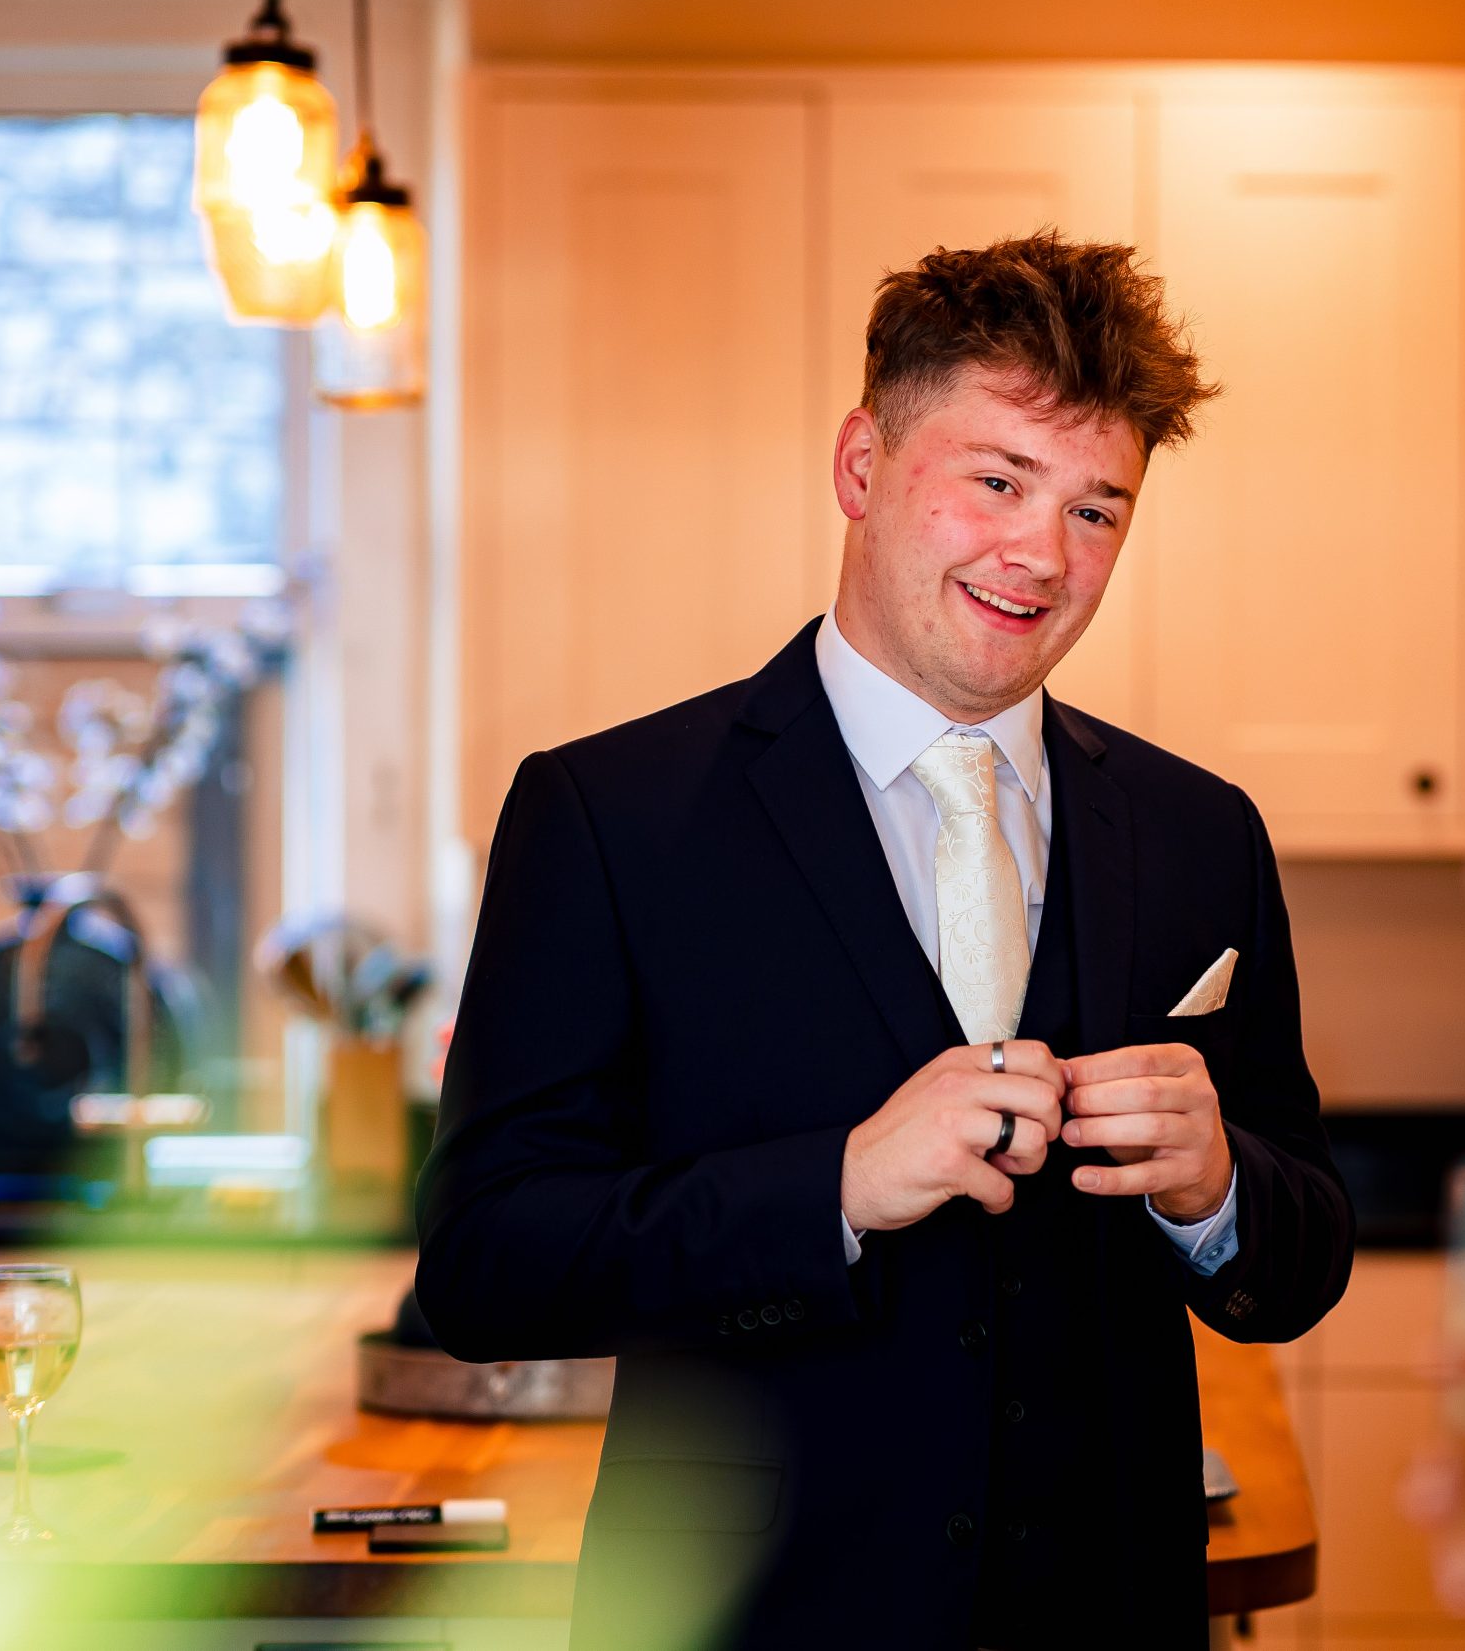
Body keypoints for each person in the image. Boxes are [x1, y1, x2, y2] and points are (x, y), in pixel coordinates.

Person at [415, 232, 1354, 1651]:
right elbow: (487, 1268)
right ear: (861, 467)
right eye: (997, 481)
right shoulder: (609, 818)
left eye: (1099, 510)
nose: (1043, 555)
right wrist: (837, 1187)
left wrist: (1217, 1186)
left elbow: (1303, 1258)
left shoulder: (1200, 830)